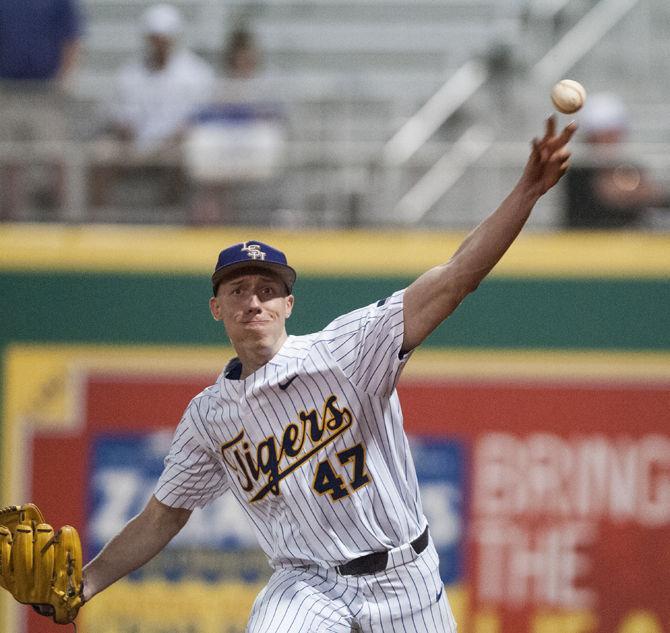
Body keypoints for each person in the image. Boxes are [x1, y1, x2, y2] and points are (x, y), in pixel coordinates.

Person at [60, 117, 574, 632]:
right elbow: (161, 516)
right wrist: (85, 584)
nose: (253, 301)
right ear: (217, 307)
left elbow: (457, 277)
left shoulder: (347, 351)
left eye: (267, 290)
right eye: (238, 291)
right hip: (306, 585)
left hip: (405, 578)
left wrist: (527, 192)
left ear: (289, 303)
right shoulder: (208, 416)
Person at [91, 3, 215, 210]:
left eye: (163, 40)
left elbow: (197, 120)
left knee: (183, 155)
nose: (159, 46)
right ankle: (101, 221)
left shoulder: (196, 74)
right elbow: (122, 117)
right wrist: (128, 135)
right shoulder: (130, 74)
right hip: (135, 144)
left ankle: (170, 218)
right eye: (155, 39)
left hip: (172, 145)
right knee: (100, 154)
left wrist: (170, 140)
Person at [0, 0, 83, 220]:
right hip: (8, 90)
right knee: (8, 160)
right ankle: (9, 219)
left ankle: (67, 219)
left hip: (45, 93)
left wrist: (64, 78)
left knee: (55, 156)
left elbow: (72, 37)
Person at [563, 92, 670, 228]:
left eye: (613, 134)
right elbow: (595, 200)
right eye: (601, 135)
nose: (608, 140)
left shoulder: (632, 167)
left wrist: (648, 194)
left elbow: (657, 199)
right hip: (588, 242)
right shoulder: (578, 171)